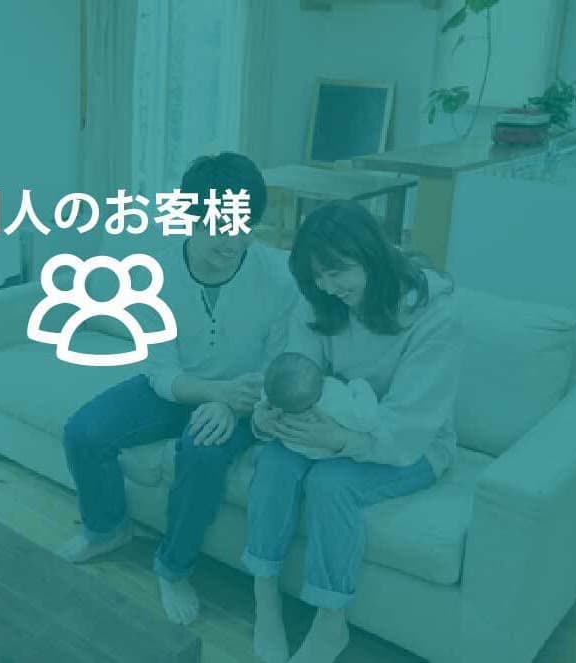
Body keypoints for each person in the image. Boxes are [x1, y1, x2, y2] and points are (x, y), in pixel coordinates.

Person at [57, 151, 301, 626]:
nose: (233, 241)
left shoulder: (277, 276)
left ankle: (173, 567)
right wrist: (214, 393)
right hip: (181, 386)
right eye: (220, 226)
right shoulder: (158, 270)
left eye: (244, 226)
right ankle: (107, 529)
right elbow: (160, 369)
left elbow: (276, 366)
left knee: (202, 453)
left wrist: (232, 403)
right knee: (84, 432)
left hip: (245, 398)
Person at [244, 200, 462, 663]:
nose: (328, 286)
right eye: (316, 276)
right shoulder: (319, 299)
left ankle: (330, 623)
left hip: (413, 443)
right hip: (334, 419)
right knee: (276, 462)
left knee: (331, 484)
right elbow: (297, 372)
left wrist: (342, 441)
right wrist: (270, 414)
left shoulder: (434, 315)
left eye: (337, 271)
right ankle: (265, 601)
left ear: (372, 253)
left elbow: (411, 424)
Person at [255, 351, 378, 460]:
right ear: (323, 381)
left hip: (295, 448)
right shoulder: (335, 400)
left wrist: (258, 418)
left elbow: (263, 405)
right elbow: (367, 421)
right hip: (328, 451)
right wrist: (360, 385)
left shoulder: (274, 397)